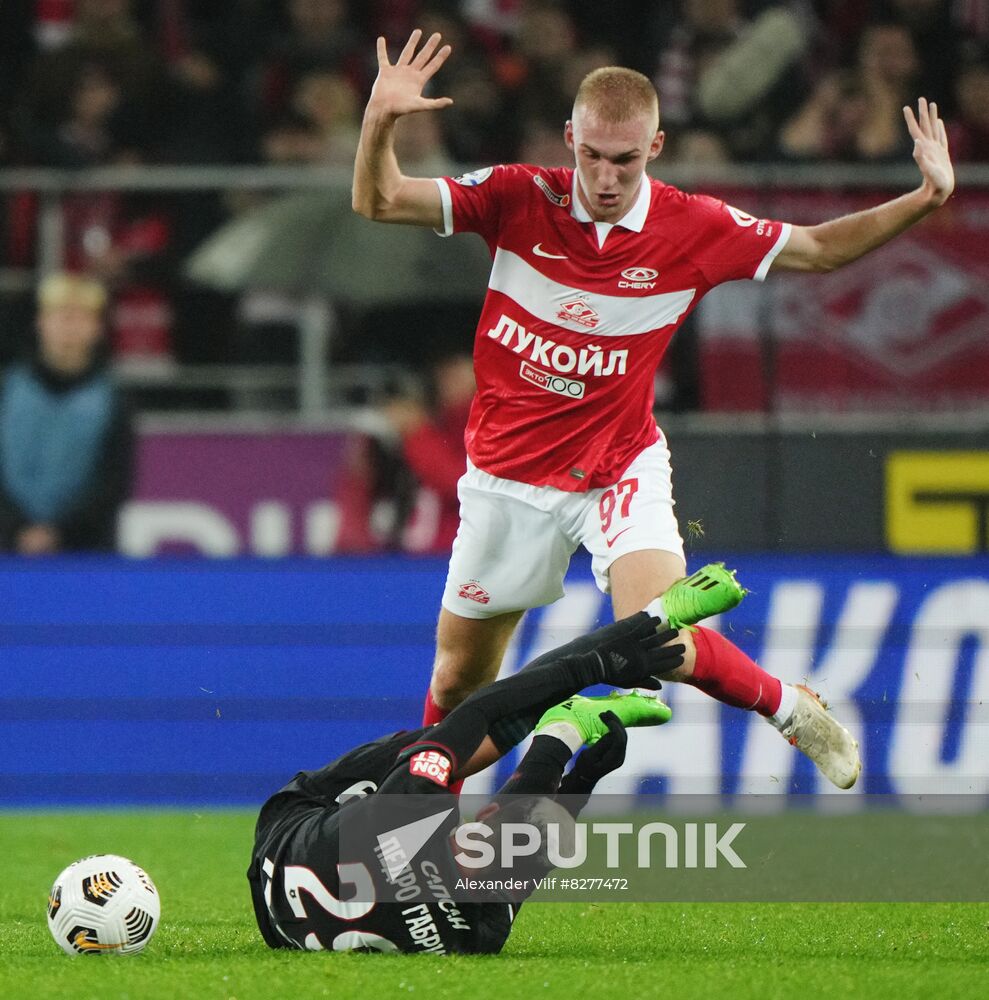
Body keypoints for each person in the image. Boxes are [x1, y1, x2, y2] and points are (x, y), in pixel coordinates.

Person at [351, 29, 956, 791]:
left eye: (625, 159)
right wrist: (379, 121)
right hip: (506, 478)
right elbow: (376, 199)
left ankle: (791, 711)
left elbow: (817, 249)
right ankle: (412, 815)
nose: (605, 177)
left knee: (656, 639)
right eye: (592, 156)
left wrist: (924, 195)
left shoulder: (692, 228)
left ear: (656, 146)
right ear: (570, 139)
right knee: (460, 681)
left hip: (617, 467)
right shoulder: (514, 197)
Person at [248, 611, 685, 954]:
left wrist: (592, 666)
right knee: (486, 737)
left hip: (288, 825)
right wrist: (583, 778)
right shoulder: (480, 932)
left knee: (472, 736)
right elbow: (536, 845)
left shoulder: (406, 812)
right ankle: (568, 721)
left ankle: (607, 664)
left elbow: (477, 714)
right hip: (285, 912)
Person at [0, 273, 133, 553]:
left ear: (96, 328)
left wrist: (59, 532)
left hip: (86, 552)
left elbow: (114, 479)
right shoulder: (8, 389)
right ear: (41, 323)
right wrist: (16, 525)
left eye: (80, 317)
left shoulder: (113, 399)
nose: (69, 328)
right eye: (61, 316)